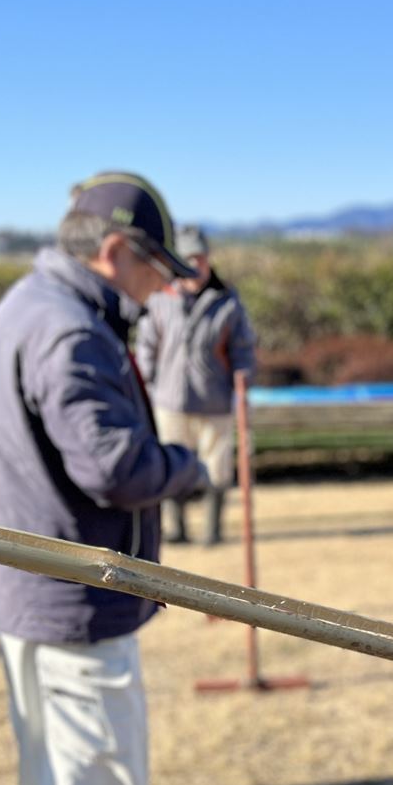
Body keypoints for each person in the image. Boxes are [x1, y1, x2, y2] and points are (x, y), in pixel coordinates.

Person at [0, 171, 210, 785]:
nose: (157, 293)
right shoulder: (70, 331)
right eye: (152, 273)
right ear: (112, 252)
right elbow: (113, 467)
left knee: (50, 763)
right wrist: (185, 466)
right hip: (73, 592)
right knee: (98, 771)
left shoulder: (28, 305)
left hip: (26, 585)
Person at [135, 226, 259, 546]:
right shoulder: (162, 297)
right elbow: (147, 343)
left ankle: (213, 529)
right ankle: (176, 528)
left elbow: (242, 348)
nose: (195, 264)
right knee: (171, 466)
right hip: (170, 400)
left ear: (208, 260)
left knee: (217, 469)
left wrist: (243, 379)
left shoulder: (227, 301)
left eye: (200, 258)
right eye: (188, 258)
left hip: (214, 400)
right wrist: (147, 381)